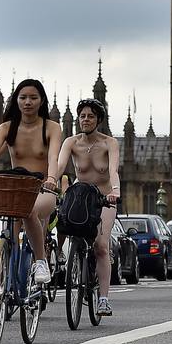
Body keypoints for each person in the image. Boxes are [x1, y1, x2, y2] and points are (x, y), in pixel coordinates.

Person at [0, 79, 61, 285]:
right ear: (16, 100)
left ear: (41, 101)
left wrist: (52, 178)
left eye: (33, 97)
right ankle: (1, 294)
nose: (28, 102)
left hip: (43, 188)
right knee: (9, 239)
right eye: (23, 97)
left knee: (29, 211)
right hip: (17, 188)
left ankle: (41, 261)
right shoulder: (6, 128)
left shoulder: (51, 127)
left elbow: (53, 158)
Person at [57, 98, 120, 317]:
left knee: (101, 246)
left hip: (103, 198)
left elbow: (113, 170)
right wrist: (48, 181)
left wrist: (115, 191)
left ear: (99, 120)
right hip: (80, 194)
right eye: (82, 116)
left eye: (90, 116)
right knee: (62, 222)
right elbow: (59, 166)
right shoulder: (71, 142)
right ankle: (60, 257)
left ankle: (103, 299)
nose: (85, 119)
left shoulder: (109, 143)